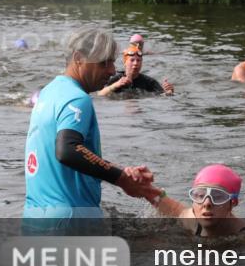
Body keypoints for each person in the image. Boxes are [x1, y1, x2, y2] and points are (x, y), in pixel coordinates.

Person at [23, 27, 158, 219]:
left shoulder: (49, 92)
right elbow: (68, 150)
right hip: (71, 222)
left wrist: (122, 172)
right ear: (79, 58)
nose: (111, 70)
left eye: (112, 61)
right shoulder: (77, 99)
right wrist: (121, 179)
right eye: (104, 63)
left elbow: (74, 154)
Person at [145, 164, 245, 238]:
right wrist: (142, 186)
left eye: (217, 196)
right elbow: (164, 202)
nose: (207, 203)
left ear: (232, 203)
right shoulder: (191, 220)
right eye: (201, 195)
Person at [98, 45, 174, 96]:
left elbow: (163, 95)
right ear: (125, 62)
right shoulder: (116, 79)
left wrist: (169, 91)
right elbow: (100, 94)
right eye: (132, 60)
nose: (135, 63)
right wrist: (116, 84)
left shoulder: (149, 82)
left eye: (138, 60)